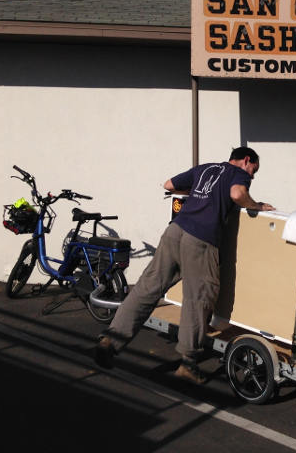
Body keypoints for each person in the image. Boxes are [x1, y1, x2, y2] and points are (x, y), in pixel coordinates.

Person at [95, 146, 274, 383]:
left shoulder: (205, 168)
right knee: (198, 298)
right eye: (254, 170)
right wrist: (257, 206)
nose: (252, 176)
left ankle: (110, 341)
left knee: (147, 288)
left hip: (175, 231)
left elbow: (169, 184)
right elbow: (238, 194)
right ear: (246, 160)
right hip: (201, 239)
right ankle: (188, 365)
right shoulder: (237, 174)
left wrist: (200, 195)